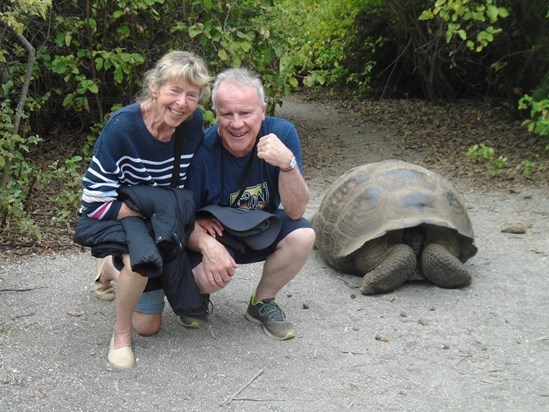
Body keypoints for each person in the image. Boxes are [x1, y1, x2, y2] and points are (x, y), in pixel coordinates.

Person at [73, 50, 212, 369]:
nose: (182, 103)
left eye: (192, 95)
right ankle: (120, 336)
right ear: (154, 87)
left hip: (160, 214)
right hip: (115, 209)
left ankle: (109, 269)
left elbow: (186, 184)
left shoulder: (192, 126)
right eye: (174, 91)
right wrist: (141, 217)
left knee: (149, 327)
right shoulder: (122, 127)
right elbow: (95, 198)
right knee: (139, 260)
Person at [185, 67, 316, 340]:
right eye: (226, 114)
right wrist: (207, 245)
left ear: (263, 111)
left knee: (303, 234)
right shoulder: (202, 151)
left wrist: (288, 164)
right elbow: (179, 220)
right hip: (218, 234)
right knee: (205, 281)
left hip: (260, 227)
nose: (236, 123)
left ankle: (262, 302)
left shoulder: (281, 135)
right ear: (215, 114)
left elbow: (295, 211)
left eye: (246, 113)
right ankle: (115, 270)